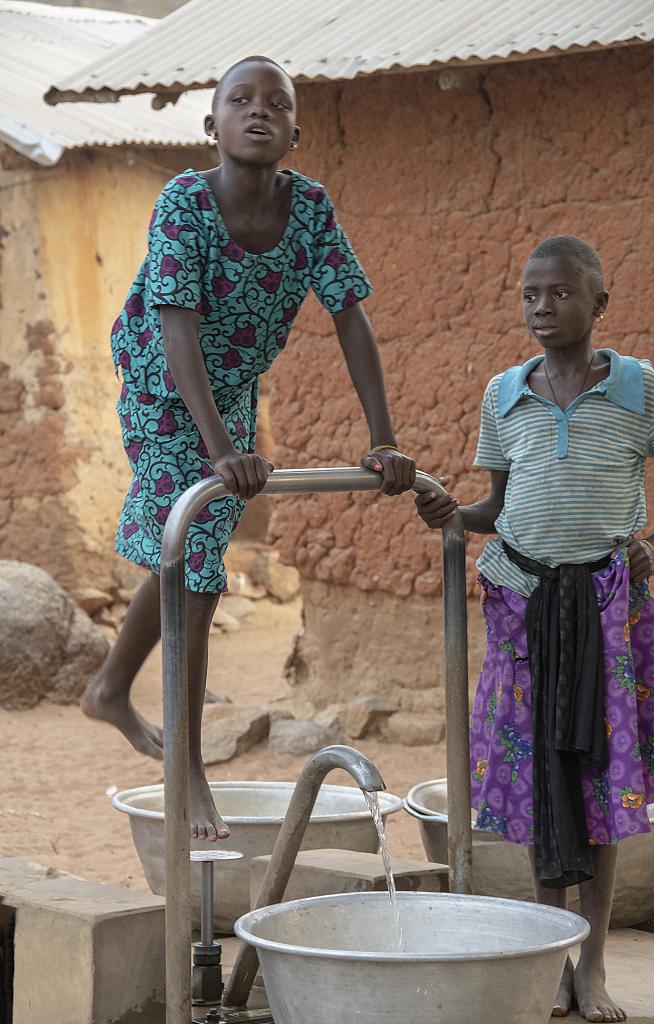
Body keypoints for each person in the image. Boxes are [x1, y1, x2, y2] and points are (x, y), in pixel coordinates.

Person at [81, 55, 415, 842]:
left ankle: (108, 687)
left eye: (277, 103)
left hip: (227, 392)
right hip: (167, 378)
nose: (257, 111)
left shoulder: (310, 209)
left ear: (296, 130)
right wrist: (223, 446)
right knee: (196, 569)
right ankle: (185, 766)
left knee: (187, 556)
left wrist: (384, 438)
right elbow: (175, 326)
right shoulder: (184, 203)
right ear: (211, 125)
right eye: (239, 100)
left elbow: (349, 317)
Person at [416, 235, 654, 1023]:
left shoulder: (638, 389)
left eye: (560, 293)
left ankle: (592, 964)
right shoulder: (504, 393)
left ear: (597, 304)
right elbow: (491, 511)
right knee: (537, 783)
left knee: (599, 782)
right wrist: (450, 515)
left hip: (606, 610)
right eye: (530, 294)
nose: (542, 307)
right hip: (523, 609)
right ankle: (554, 959)